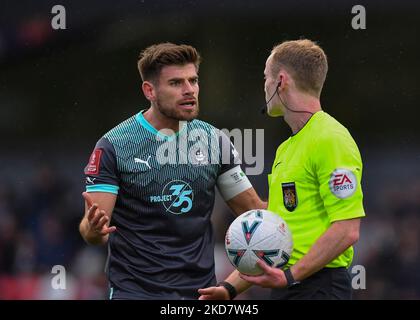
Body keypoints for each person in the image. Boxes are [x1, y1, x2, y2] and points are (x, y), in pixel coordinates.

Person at [78, 42, 266, 300]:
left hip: (200, 294)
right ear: (149, 90)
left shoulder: (215, 141)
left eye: (193, 80)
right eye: (176, 83)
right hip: (135, 292)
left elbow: (253, 212)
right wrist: (93, 228)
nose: (189, 90)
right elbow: (93, 232)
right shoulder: (114, 146)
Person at [198, 39, 365, 300]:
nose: (264, 86)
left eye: (266, 77)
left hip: (320, 287)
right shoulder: (285, 149)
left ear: (281, 81)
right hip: (288, 286)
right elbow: (272, 234)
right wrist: (228, 289)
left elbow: (347, 229)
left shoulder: (331, 138)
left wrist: (291, 275)